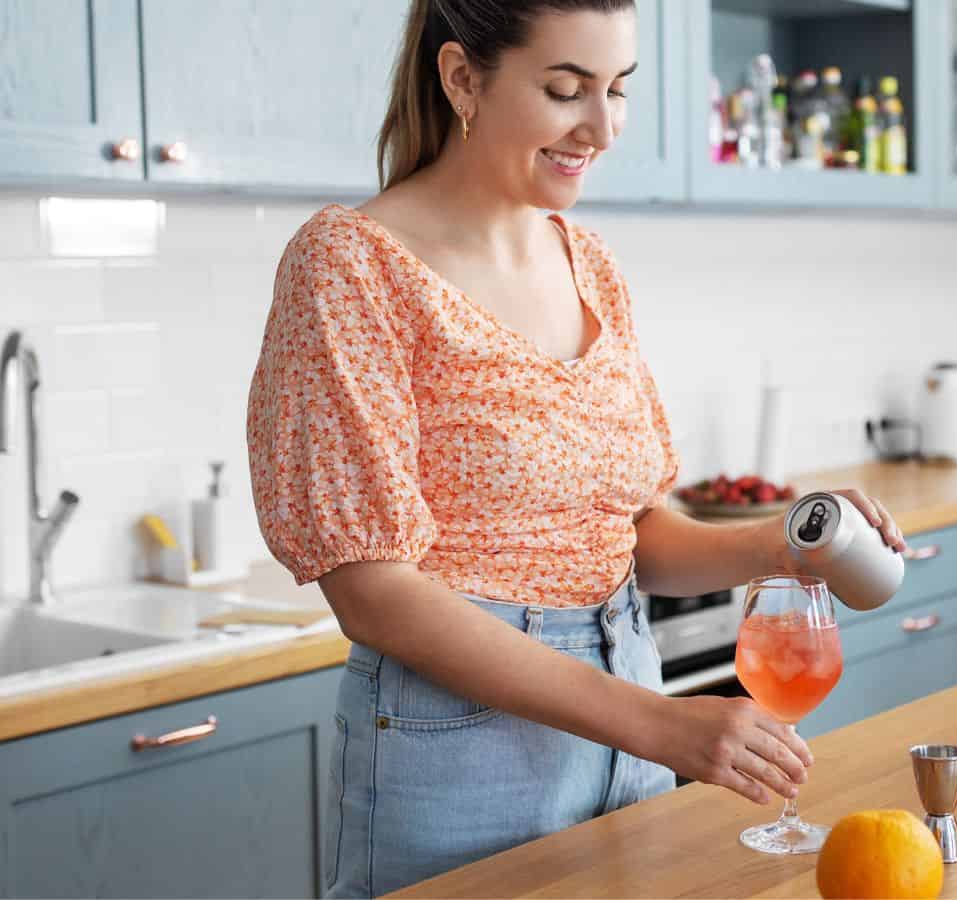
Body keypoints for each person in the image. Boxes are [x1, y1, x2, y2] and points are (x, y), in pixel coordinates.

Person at [244, 1, 906, 896]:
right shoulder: (352, 265)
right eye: (566, 90)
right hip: (459, 752)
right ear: (462, 79)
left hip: (625, 708)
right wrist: (659, 725)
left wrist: (788, 539)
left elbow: (629, 534)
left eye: (618, 91)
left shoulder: (586, 263)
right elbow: (372, 592)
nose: (600, 128)